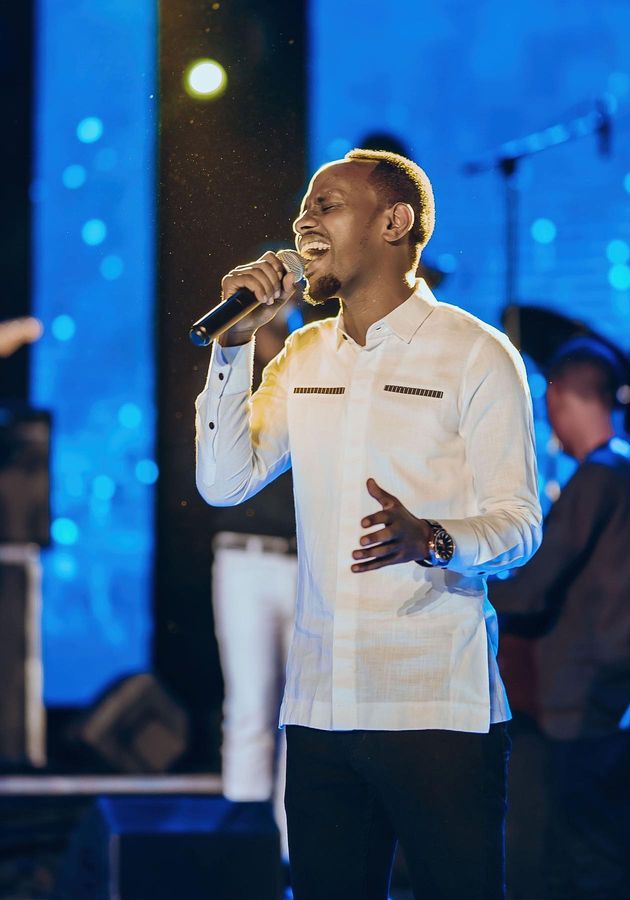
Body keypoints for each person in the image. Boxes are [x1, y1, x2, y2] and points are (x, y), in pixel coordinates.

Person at [195, 149, 541, 900]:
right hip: (322, 707)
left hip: (435, 708)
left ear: (394, 222)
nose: (303, 224)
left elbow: (519, 525)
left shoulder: (476, 354)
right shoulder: (304, 353)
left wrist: (436, 539)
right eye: (303, 209)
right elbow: (223, 482)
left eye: (326, 206)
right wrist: (232, 347)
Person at [491, 338, 630, 900]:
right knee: (616, 850)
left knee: (587, 859)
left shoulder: (598, 477)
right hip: (628, 688)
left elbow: (532, 588)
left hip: (586, 698)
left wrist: (465, 581)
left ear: (563, 395)